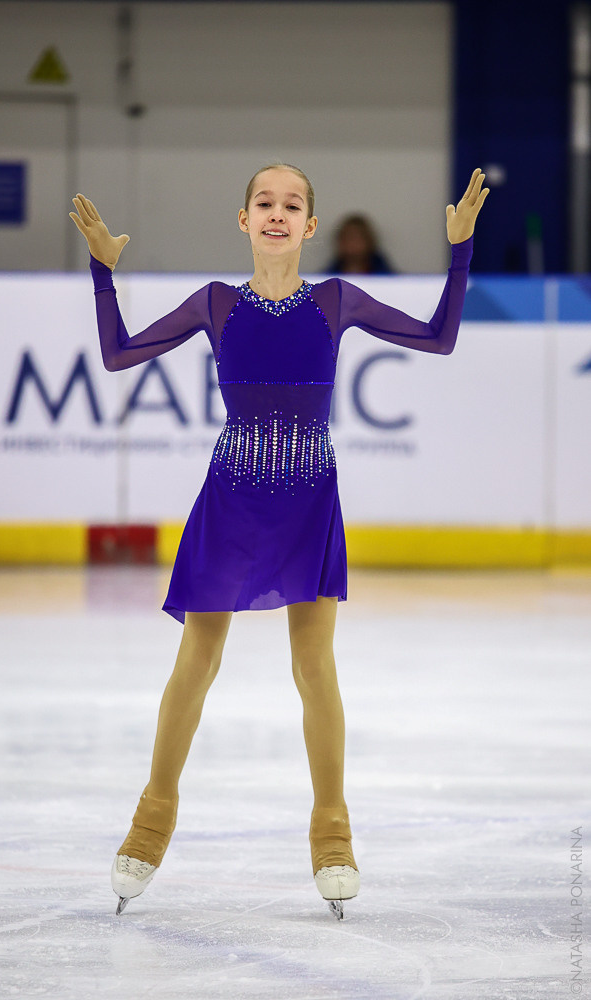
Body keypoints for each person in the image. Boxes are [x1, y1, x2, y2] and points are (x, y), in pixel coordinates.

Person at [69, 163, 489, 920]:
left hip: (307, 501)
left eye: (291, 204)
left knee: (313, 665)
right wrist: (102, 271)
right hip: (231, 496)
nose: (276, 212)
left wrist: (458, 251)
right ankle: (149, 822)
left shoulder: (336, 301)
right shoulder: (215, 304)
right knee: (197, 659)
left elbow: (439, 338)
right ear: (243, 219)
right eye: (264, 201)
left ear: (307, 226)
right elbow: (118, 355)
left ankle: (333, 837)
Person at [326, 213, 394, 275]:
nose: (352, 244)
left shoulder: (391, 281)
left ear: (369, 241)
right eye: (347, 238)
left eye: (357, 238)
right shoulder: (325, 279)